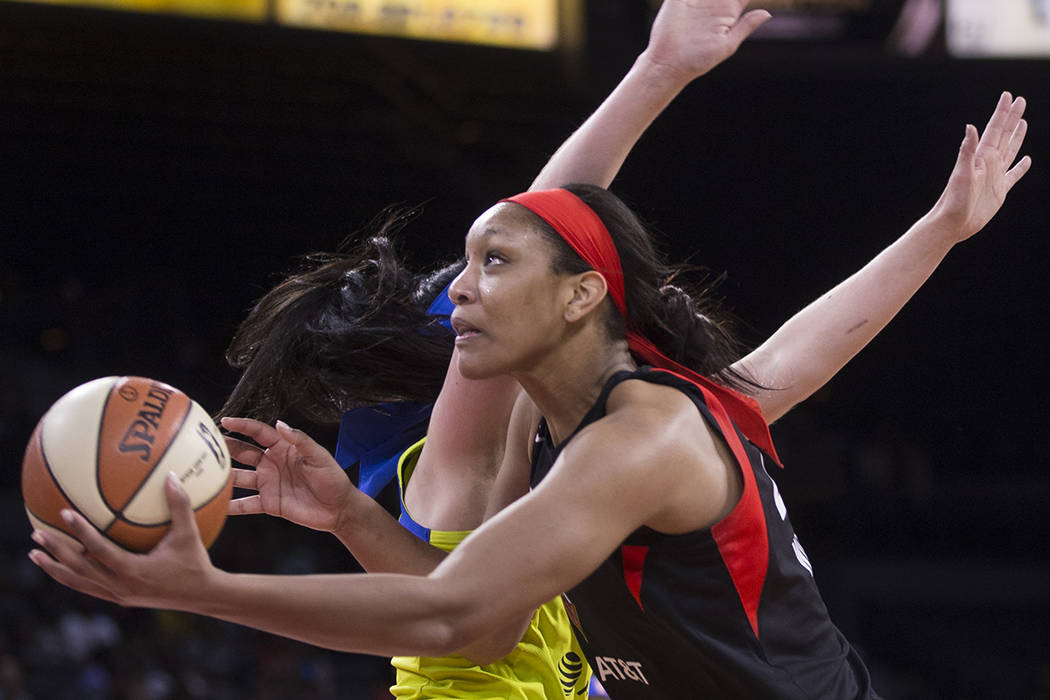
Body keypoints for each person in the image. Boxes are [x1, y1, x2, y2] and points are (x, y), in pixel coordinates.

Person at [29, 55, 1030, 700]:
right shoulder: (532, 427)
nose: (458, 290)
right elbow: (477, 604)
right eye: (457, 271)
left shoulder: (635, 436)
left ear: (580, 297)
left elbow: (456, 615)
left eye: (488, 266)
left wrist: (208, 590)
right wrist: (940, 230)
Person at [212, 2, 773, 698]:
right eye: (466, 290)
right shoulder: (461, 447)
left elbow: (763, 384)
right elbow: (549, 212)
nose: (474, 295)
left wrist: (935, 235)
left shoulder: (514, 461)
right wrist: (656, 71)